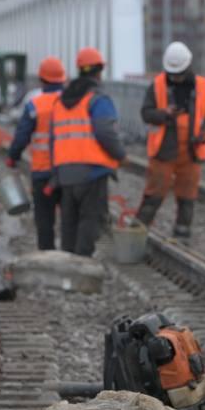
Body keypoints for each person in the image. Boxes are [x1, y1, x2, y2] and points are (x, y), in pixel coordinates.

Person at [135, 42, 205, 240]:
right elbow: (146, 113)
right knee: (154, 195)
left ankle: (182, 237)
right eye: (172, 74)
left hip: (191, 151)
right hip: (164, 151)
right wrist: (164, 114)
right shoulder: (157, 85)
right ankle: (135, 236)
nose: (175, 78)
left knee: (187, 197)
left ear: (188, 67)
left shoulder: (203, 87)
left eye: (179, 73)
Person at [49, 47, 126, 257]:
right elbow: (105, 131)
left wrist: (56, 172)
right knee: (90, 219)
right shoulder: (98, 99)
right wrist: (120, 154)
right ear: (100, 71)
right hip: (92, 171)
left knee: (69, 221)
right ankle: (81, 264)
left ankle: (67, 262)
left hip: (65, 172)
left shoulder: (61, 100)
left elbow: (53, 138)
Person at [5, 56, 67, 250]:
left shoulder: (35, 105)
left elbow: (22, 136)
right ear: (63, 79)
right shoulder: (72, 103)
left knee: (45, 221)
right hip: (68, 172)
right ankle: (70, 257)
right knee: (69, 220)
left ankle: (47, 256)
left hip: (42, 172)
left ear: (42, 79)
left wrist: (12, 157)